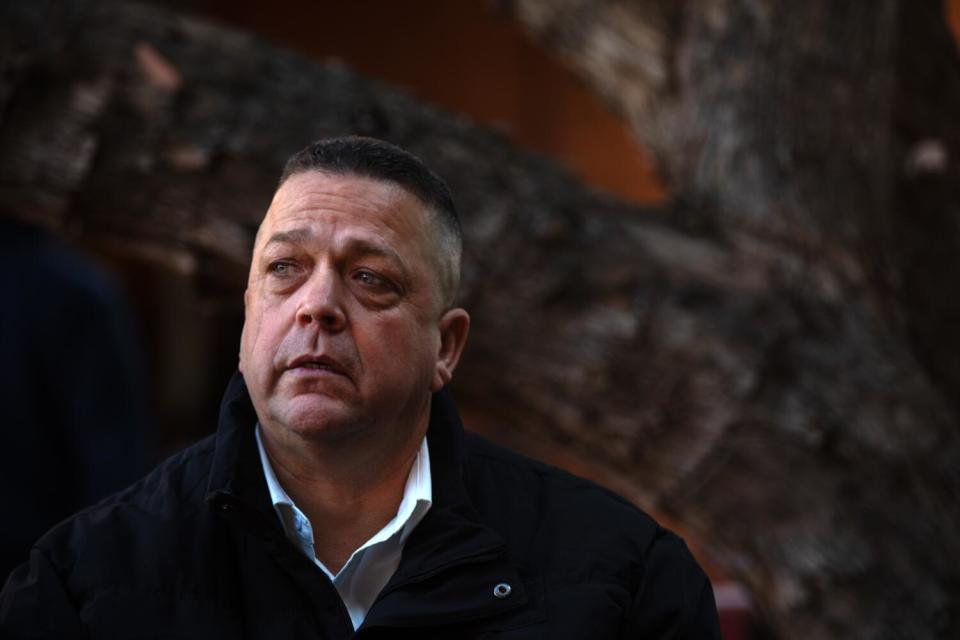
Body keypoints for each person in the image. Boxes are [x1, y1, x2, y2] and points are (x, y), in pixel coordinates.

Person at [0, 136, 720, 638]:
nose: (317, 305)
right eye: (284, 269)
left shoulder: (623, 583)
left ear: (447, 346)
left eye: (370, 278)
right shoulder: (83, 583)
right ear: (249, 313)